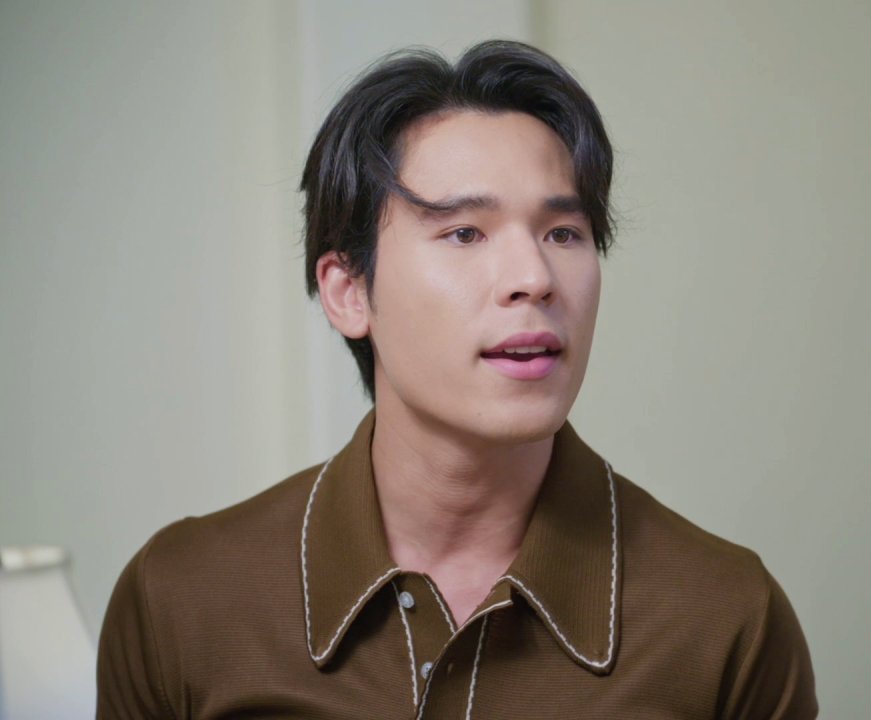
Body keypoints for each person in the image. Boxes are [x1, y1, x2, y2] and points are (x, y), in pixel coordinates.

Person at [96, 40, 817, 719]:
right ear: (349, 291)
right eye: (465, 232)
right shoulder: (181, 599)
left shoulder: (726, 617)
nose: (533, 277)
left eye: (563, 234)